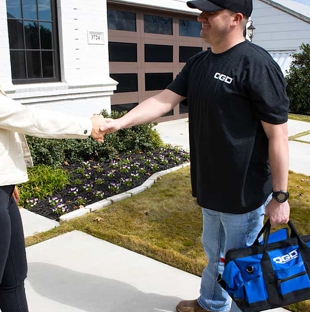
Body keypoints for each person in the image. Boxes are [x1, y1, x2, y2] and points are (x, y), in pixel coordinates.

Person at [101, 0, 290, 311]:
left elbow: (278, 135)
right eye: (201, 11)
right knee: (215, 252)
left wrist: (280, 196)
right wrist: (119, 122)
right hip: (209, 186)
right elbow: (164, 99)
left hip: (243, 191)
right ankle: (211, 302)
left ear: (236, 19)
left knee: (240, 264)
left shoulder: (256, 65)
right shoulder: (199, 64)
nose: (200, 17)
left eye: (210, 12)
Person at [0, 87, 107, 312]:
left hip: (5, 193)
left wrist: (9, 177)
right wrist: (88, 126)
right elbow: (29, 118)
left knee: (15, 277)